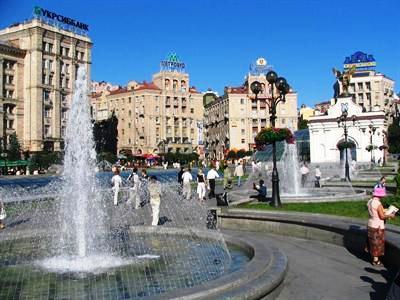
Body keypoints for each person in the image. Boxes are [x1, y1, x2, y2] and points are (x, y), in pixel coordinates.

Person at [366, 187, 395, 266]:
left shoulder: (370, 201)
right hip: (377, 226)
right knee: (377, 243)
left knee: (372, 242)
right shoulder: (378, 203)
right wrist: (391, 215)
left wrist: (383, 210)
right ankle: (376, 261)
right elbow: (382, 217)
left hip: (370, 223)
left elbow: (374, 213)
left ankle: (374, 258)